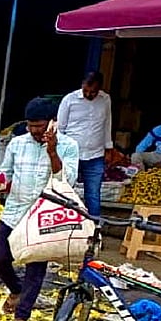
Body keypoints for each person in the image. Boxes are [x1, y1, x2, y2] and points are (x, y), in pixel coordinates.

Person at [0, 97, 80, 321]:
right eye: (30, 126)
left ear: (53, 123)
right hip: (14, 210)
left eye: (39, 127)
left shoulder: (69, 146)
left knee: (35, 266)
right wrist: (0, 183)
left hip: (43, 215)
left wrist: (52, 151)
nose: (33, 131)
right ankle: (16, 290)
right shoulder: (18, 143)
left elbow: (66, 180)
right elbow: (6, 173)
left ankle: (22, 314)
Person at [57, 71, 113, 217]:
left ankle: (94, 227)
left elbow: (107, 124)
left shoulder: (105, 100)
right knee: (65, 190)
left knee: (93, 194)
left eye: (93, 92)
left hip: (95, 155)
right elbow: (61, 128)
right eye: (86, 91)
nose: (89, 94)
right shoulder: (69, 100)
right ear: (82, 85)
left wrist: (109, 148)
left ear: (99, 88)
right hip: (71, 154)